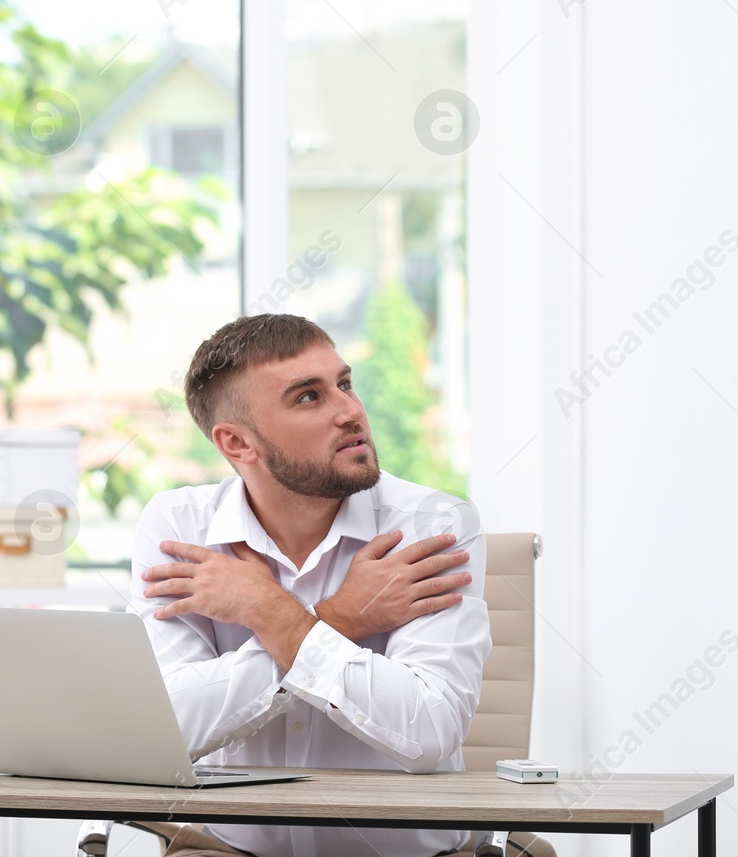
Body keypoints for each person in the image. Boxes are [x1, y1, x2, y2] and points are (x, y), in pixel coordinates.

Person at [128, 313, 492, 857]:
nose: (351, 411)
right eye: (307, 397)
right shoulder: (181, 530)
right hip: (231, 852)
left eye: (344, 384)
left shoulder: (432, 524)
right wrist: (340, 617)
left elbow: (428, 732)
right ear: (237, 443)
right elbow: (165, 730)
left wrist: (269, 611)